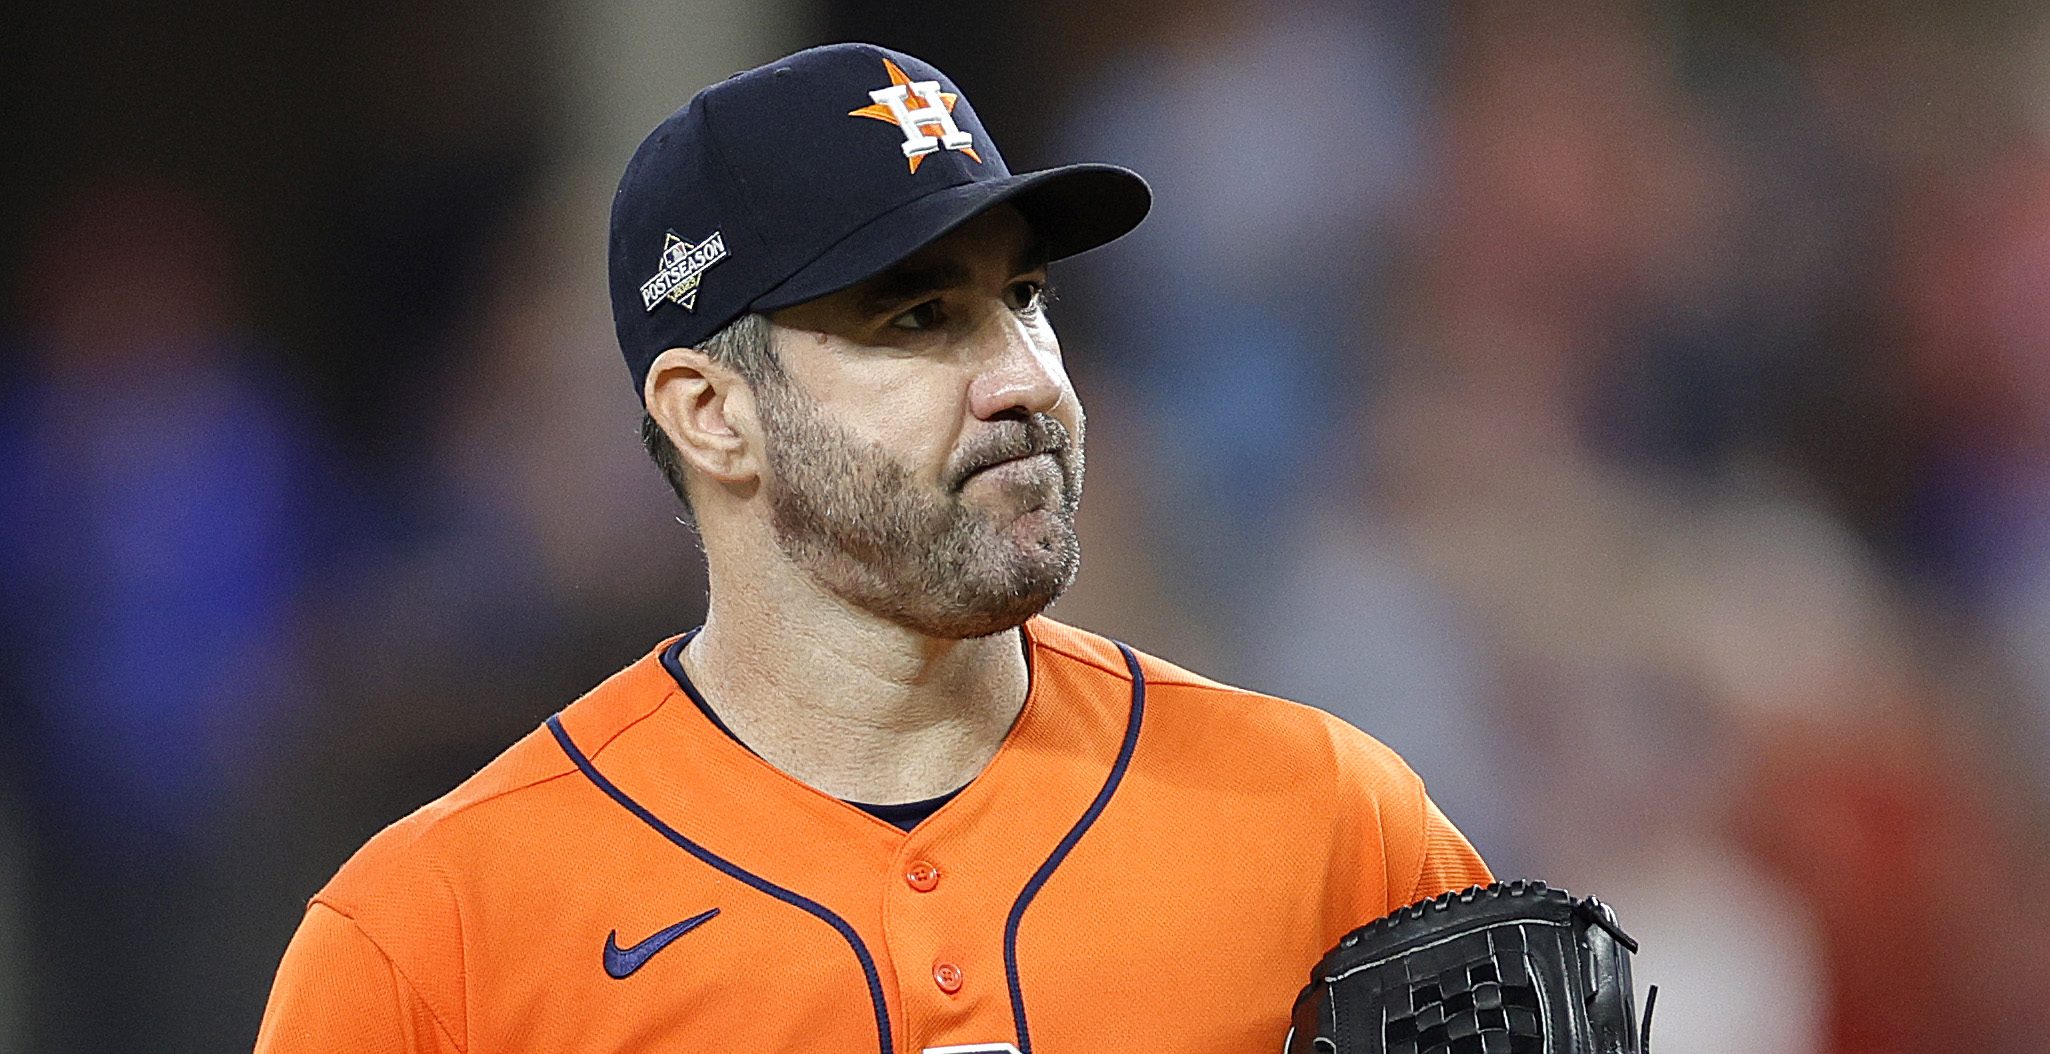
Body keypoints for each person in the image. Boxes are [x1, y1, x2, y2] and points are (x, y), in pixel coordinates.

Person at [253, 43, 1491, 1054]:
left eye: (1027, 298)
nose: (1023, 379)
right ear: (712, 414)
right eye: (919, 315)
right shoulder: (434, 939)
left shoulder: (1331, 823)